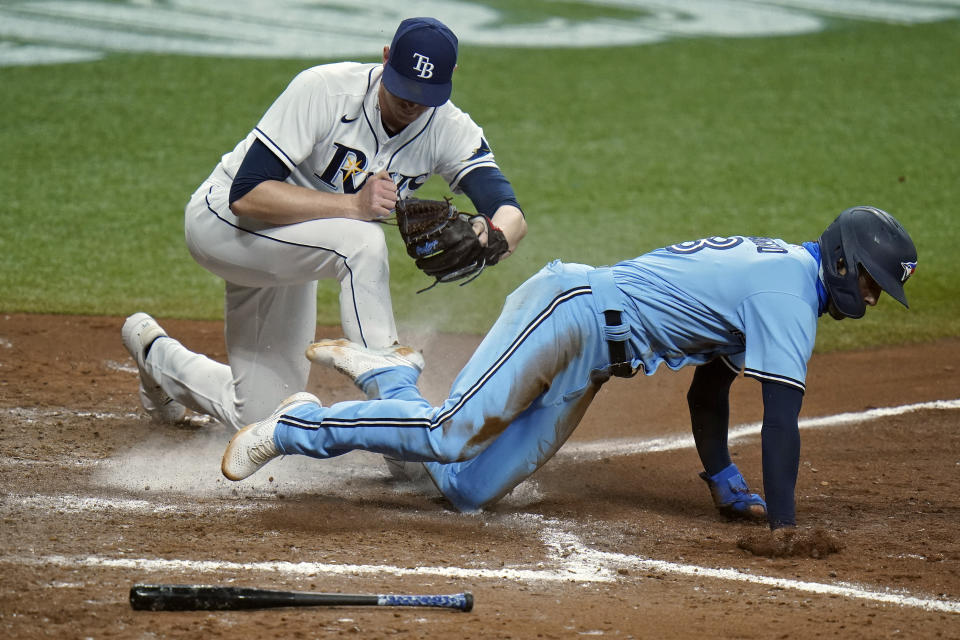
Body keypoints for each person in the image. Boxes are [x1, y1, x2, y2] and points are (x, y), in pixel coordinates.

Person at [220, 206, 917, 531]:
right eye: (875, 282)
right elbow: (782, 422)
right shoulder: (790, 293)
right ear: (845, 262)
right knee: (449, 435)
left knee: (468, 491)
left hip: (591, 356)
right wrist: (785, 530)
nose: (874, 297)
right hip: (574, 310)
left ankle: (393, 378)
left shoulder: (787, 281)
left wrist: (724, 480)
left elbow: (711, 389)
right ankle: (299, 425)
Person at [121, 17, 527, 430]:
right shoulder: (325, 90)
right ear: (386, 59)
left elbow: (508, 209)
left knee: (261, 414)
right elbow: (245, 195)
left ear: (451, 79)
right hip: (223, 226)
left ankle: (155, 355)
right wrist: (352, 204)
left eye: (427, 96)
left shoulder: (450, 130)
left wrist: (492, 237)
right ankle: (396, 410)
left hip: (296, 249)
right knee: (362, 241)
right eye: (405, 89)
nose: (413, 105)